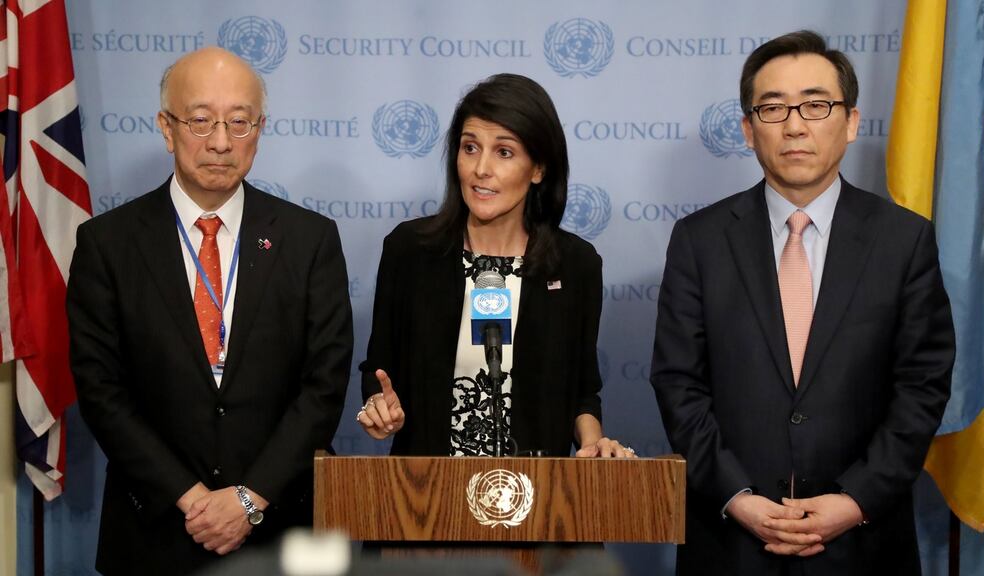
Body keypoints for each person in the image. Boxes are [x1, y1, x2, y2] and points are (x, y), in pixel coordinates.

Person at [650, 31, 955, 575]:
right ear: (748, 129)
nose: (795, 125)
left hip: (863, 543)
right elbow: (678, 383)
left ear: (852, 121)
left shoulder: (903, 241)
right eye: (772, 108)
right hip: (730, 543)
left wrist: (855, 499)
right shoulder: (699, 240)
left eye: (816, 105)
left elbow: (922, 387)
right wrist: (738, 497)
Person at [66, 47, 353, 575]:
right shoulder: (107, 244)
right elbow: (102, 391)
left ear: (259, 129)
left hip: (279, 533)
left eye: (239, 122)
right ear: (166, 126)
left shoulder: (309, 240)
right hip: (153, 532)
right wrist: (192, 498)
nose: (221, 142)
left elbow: (323, 387)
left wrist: (249, 499)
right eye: (200, 121)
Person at [357, 73, 633, 459]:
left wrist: (593, 444)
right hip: (428, 495)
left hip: (536, 493)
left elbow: (582, 390)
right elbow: (378, 370)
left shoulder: (575, 265)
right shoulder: (411, 251)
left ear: (538, 168)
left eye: (504, 152)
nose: (480, 169)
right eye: (470, 148)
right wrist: (378, 406)